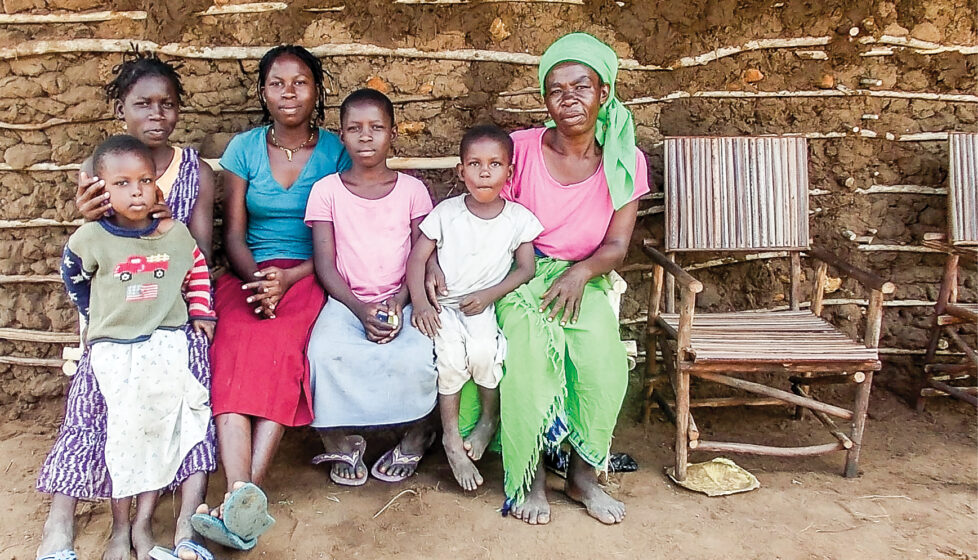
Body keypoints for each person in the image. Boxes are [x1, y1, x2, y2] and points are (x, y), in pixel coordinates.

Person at [430, 33, 650, 525]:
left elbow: (616, 245)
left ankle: (583, 476)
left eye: (582, 86)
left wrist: (582, 273)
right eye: (556, 89)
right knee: (527, 352)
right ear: (545, 99)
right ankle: (528, 478)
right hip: (516, 274)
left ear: (605, 93)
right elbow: (476, 206)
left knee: (604, 361)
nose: (569, 98)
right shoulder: (523, 149)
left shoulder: (624, 160)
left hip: (582, 276)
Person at [36, 54, 217, 560]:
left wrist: (163, 229)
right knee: (94, 405)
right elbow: (85, 247)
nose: (156, 114)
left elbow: (197, 253)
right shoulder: (99, 168)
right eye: (143, 104)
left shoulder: (194, 172)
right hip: (113, 314)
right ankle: (61, 521)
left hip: (171, 313)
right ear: (122, 110)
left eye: (167, 104)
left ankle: (182, 524)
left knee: (186, 399)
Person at [193, 45, 350, 551]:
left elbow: (343, 235)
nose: (288, 92)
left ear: (317, 91)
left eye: (300, 81)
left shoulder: (335, 151)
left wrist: (291, 278)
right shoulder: (243, 149)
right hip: (249, 273)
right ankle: (244, 496)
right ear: (263, 92)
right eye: (277, 83)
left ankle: (244, 495)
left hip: (312, 272)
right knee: (231, 347)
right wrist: (258, 279)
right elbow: (232, 232)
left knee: (283, 347)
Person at [304, 88, 438, 487]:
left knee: (422, 354)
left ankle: (418, 435)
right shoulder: (326, 191)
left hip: (404, 296)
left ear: (393, 134)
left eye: (376, 127)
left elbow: (421, 255)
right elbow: (326, 265)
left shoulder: (412, 191)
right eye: (354, 128)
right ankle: (341, 440)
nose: (366, 136)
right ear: (340, 135)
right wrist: (361, 309)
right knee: (324, 354)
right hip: (346, 302)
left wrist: (398, 303)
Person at [406, 124, 542, 491]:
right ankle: (451, 437)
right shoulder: (446, 213)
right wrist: (420, 304)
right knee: (450, 358)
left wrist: (490, 295)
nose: (485, 172)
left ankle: (488, 420)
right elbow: (417, 259)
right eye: (475, 163)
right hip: (445, 307)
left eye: (495, 164)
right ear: (460, 170)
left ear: (509, 172)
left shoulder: (518, 219)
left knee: (485, 354)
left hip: (481, 307)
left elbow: (527, 268)